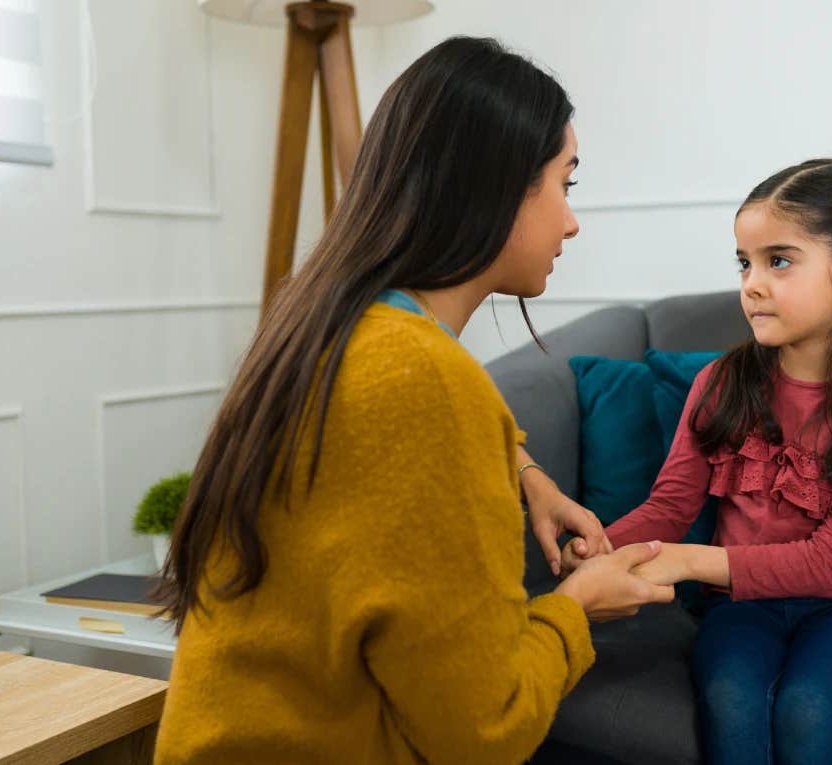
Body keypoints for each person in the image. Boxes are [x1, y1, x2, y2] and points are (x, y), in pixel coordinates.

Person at [152, 36, 675, 765]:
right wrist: (579, 605)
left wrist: (528, 475)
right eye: (566, 183)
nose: (571, 220)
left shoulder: (334, 328)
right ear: (494, 185)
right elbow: (483, 734)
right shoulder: (424, 379)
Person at [562, 159, 832, 764]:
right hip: (743, 606)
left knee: (808, 708)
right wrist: (600, 549)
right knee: (732, 698)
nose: (752, 284)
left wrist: (687, 561)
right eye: (745, 262)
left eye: (779, 261)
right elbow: (670, 506)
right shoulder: (721, 384)